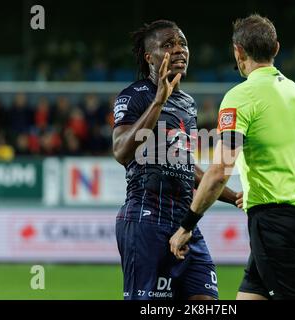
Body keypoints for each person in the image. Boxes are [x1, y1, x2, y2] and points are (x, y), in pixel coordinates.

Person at [170, 14, 295, 300]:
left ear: (238, 52)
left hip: (273, 224)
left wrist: (186, 226)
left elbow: (218, 172)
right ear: (276, 48)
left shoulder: (240, 97)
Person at [112, 20, 241, 300]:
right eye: (168, 45)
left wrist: (233, 196)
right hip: (145, 219)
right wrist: (158, 101)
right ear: (150, 57)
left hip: (184, 222)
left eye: (183, 43)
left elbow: (183, 164)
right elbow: (121, 152)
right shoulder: (133, 96)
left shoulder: (187, 104)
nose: (179, 50)